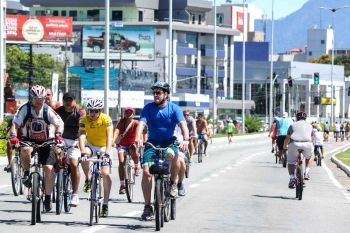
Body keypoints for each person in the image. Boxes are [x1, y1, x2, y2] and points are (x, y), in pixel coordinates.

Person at [134, 81, 189, 221]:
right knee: (146, 172)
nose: (155, 95)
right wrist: (138, 138)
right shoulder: (148, 108)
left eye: (158, 92)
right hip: (152, 143)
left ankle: (172, 184)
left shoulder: (174, 108)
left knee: (174, 155)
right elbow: (141, 124)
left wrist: (186, 139)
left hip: (169, 141)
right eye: (154, 93)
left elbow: (183, 125)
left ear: (166, 94)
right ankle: (147, 207)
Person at [9, 85, 64, 211]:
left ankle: (48, 198)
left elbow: (59, 123)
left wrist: (59, 136)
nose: (39, 101)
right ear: (31, 98)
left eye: (41, 98)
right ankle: (27, 174)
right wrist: (13, 136)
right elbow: (15, 123)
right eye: (36, 98)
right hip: (29, 139)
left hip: (46, 141)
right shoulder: (25, 109)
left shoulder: (47, 110)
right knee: (25, 150)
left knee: (48, 169)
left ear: (45, 98)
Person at [79, 98, 113, 217]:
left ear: (100, 111)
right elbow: (82, 136)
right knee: (84, 156)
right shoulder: (84, 119)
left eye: (95, 111)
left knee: (106, 174)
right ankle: (88, 179)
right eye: (90, 111)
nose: (92, 114)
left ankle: (105, 204)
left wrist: (107, 154)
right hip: (91, 146)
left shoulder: (106, 119)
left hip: (104, 146)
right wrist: (83, 152)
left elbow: (110, 137)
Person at [55, 92, 85, 206]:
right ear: (63, 101)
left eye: (70, 100)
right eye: (66, 100)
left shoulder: (80, 112)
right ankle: (55, 175)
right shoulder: (57, 111)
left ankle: (75, 194)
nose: (68, 102)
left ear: (74, 101)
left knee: (73, 164)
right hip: (60, 138)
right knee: (54, 155)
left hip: (74, 140)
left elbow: (83, 127)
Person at [112, 107, 141, 195]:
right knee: (121, 162)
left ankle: (136, 166)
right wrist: (113, 141)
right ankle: (122, 185)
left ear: (133, 114)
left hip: (132, 144)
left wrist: (138, 140)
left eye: (130, 113)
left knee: (134, 150)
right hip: (122, 145)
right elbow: (116, 131)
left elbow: (138, 132)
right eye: (127, 113)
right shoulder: (121, 121)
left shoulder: (136, 123)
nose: (128, 114)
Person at [283, 111, 314, 189]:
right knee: (310, 156)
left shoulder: (292, 125)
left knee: (290, 162)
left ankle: (292, 178)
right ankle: (306, 173)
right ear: (305, 118)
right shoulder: (310, 126)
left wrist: (285, 146)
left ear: (297, 118)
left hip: (294, 144)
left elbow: (287, 138)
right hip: (307, 144)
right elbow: (312, 138)